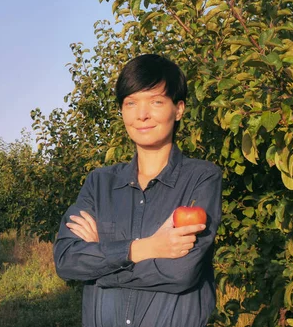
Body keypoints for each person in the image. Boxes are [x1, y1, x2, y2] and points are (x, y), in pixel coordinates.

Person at [53, 54, 222, 327]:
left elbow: (181, 271)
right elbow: (66, 261)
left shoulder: (201, 178)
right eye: (130, 103)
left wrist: (100, 256)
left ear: (178, 109)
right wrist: (146, 248)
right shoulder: (99, 183)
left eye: (155, 101)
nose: (141, 114)